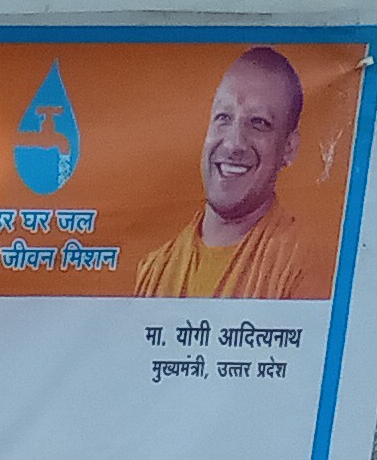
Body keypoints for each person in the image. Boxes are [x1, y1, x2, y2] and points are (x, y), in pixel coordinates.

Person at [126, 46, 321, 298]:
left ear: (289, 148)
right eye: (223, 117)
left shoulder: (301, 263)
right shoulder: (154, 270)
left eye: (258, 122)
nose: (233, 144)